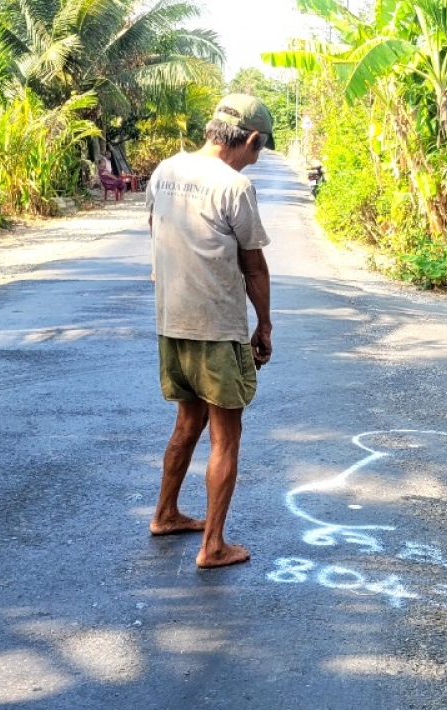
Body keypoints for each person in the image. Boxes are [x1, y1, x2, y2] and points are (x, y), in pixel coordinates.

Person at [145, 94, 275, 569]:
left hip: (171, 324)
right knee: (227, 436)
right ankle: (213, 545)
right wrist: (264, 323)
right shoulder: (233, 186)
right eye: (258, 151)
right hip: (217, 328)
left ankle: (165, 514)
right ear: (252, 140)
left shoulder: (164, 171)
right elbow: (254, 267)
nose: (255, 160)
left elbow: (156, 233)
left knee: (187, 422)